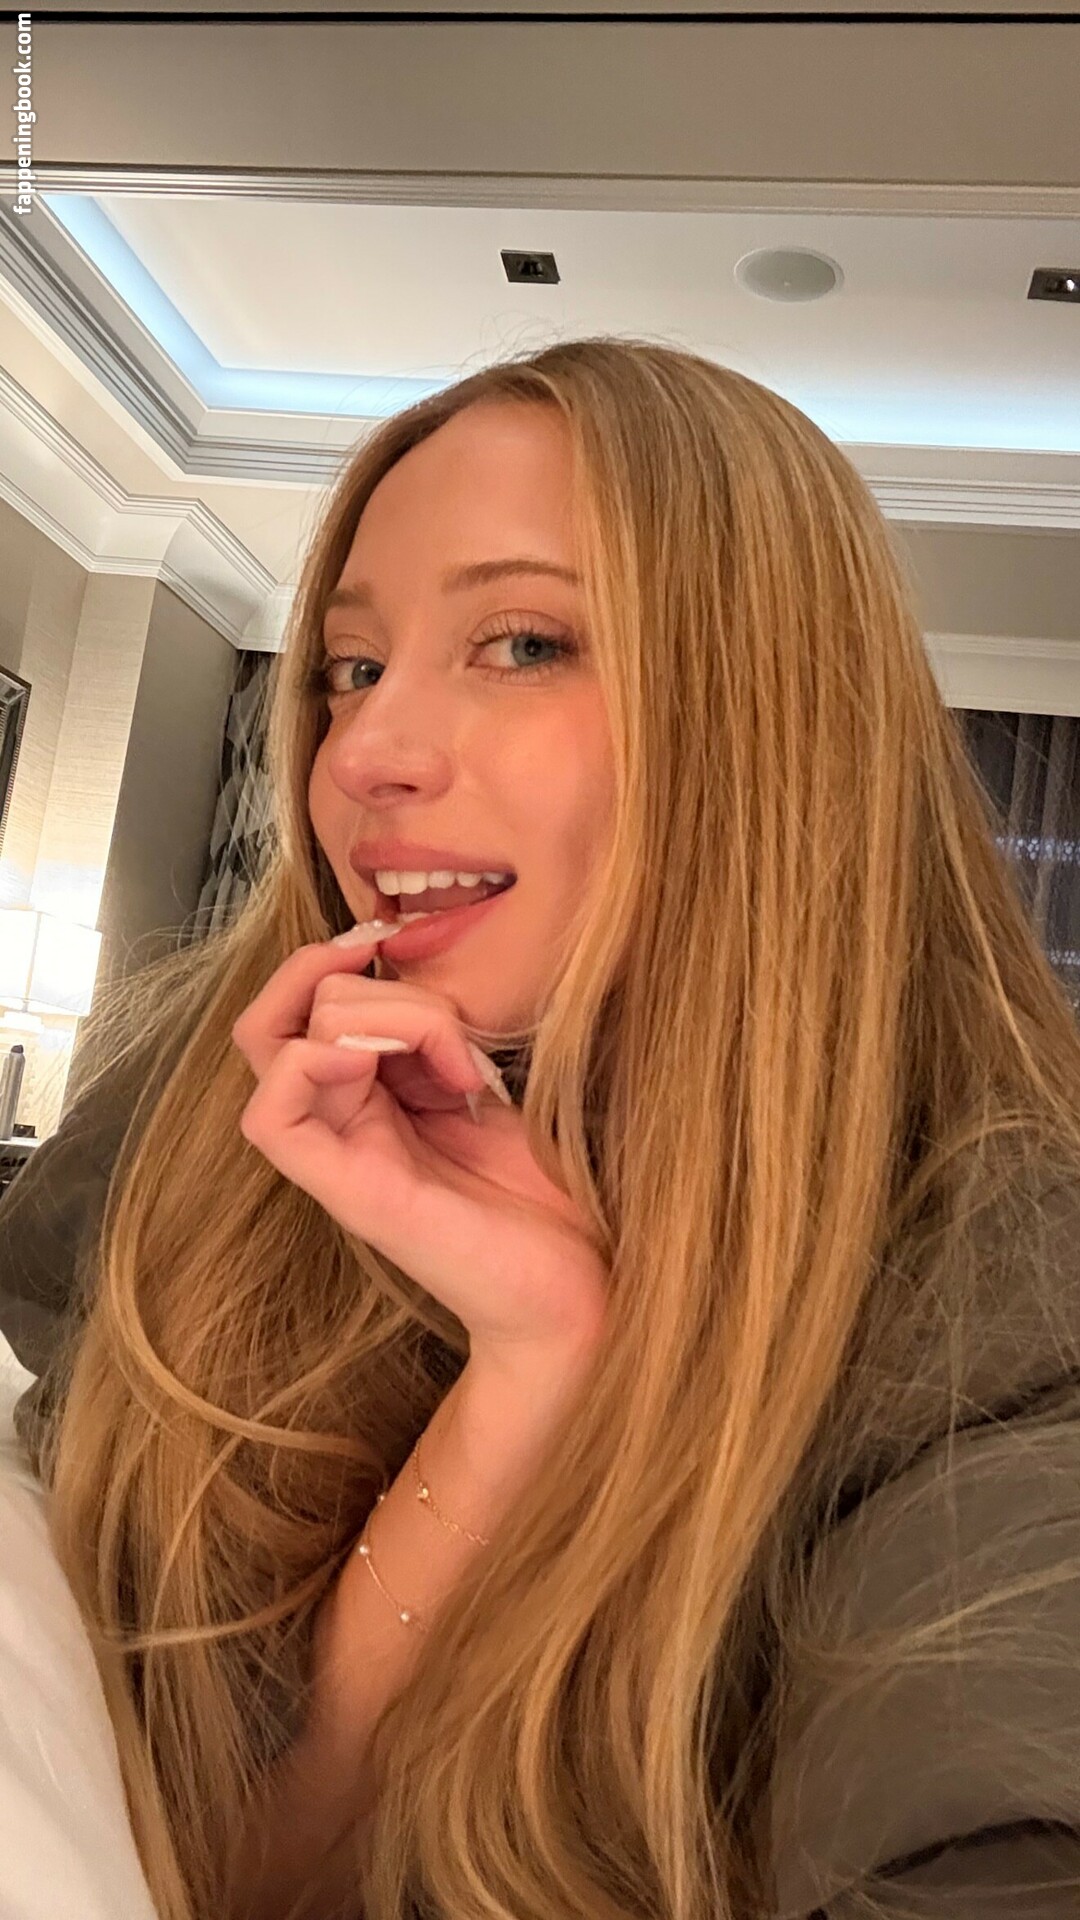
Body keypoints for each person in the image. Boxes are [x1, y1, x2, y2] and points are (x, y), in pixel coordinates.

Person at [2, 336, 1080, 1920]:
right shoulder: (204, 1125)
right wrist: (533, 1372)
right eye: (350, 670)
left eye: (523, 644)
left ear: (776, 719)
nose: (364, 757)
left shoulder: (1007, 1293)